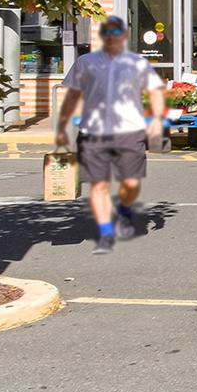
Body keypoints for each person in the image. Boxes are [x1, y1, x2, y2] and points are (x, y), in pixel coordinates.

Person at [55, 15, 167, 254]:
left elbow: (155, 92)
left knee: (131, 182)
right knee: (99, 185)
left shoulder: (137, 63)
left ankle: (125, 209)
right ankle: (105, 231)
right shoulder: (85, 62)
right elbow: (71, 96)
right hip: (93, 131)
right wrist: (63, 127)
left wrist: (157, 120)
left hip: (130, 131)